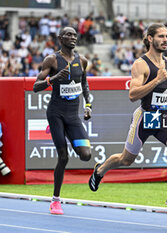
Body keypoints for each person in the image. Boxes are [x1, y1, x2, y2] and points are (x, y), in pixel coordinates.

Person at [88, 23, 167, 214]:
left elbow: (162, 90)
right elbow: (133, 94)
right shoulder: (140, 64)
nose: (165, 40)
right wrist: (157, 80)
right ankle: (100, 171)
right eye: (161, 36)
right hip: (144, 117)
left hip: (162, 116)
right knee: (126, 160)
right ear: (150, 39)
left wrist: (164, 102)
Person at [33, 27, 92, 215]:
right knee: (63, 157)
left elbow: (84, 84)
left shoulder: (82, 61)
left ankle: (69, 134)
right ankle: (55, 201)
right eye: (68, 35)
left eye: (75, 35)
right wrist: (52, 79)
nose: (72, 37)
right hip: (56, 114)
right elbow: (35, 86)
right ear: (60, 38)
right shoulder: (51, 60)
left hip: (73, 116)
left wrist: (88, 105)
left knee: (86, 154)